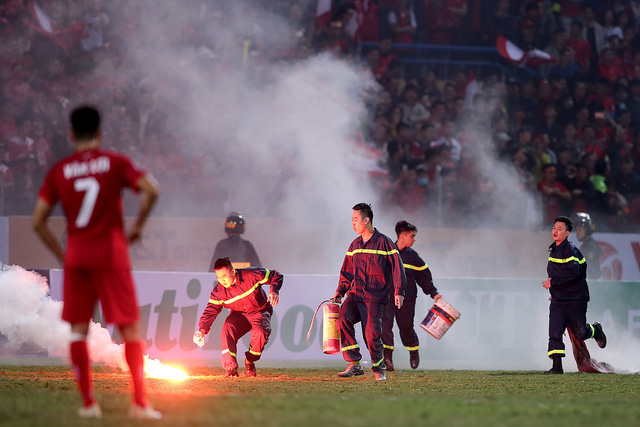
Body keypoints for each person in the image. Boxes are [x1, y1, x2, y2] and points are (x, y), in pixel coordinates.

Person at [32, 106, 161, 419]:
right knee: (130, 328)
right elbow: (151, 190)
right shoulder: (115, 162)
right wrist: (139, 226)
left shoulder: (59, 171)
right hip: (110, 254)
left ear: (71, 134)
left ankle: (89, 405)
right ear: (100, 133)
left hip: (77, 256)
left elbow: (38, 221)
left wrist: (64, 256)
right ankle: (139, 405)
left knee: (78, 331)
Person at [332, 203, 406, 381]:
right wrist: (340, 291)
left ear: (367, 220)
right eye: (352, 220)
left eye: (355, 220)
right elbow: (347, 271)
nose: (353, 224)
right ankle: (354, 363)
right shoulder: (355, 245)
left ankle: (378, 368)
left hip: (375, 296)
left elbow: (398, 268)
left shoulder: (385, 243)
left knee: (372, 334)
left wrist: (399, 291)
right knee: (343, 320)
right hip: (355, 294)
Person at [194, 257, 283, 378]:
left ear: (233, 271)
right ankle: (231, 368)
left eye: (224, 275)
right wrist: (201, 330)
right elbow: (210, 311)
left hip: (260, 311)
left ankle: (250, 361)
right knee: (227, 328)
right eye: (218, 277)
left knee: (260, 332)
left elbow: (275, 275)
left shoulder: (251, 275)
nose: (222, 280)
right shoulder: (218, 292)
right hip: (239, 315)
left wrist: (274, 291)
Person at [542, 216, 607, 374]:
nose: (555, 231)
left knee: (580, 333)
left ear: (567, 233)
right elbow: (558, 274)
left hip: (575, 299)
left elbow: (574, 274)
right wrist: (555, 292)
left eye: (560, 229)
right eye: (554, 228)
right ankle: (557, 367)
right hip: (560, 299)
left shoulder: (570, 250)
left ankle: (595, 329)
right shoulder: (554, 250)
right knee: (554, 332)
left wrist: (555, 284)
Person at [382, 221, 441, 371]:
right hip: (387, 297)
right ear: (403, 235)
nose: (414, 239)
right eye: (412, 236)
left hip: (407, 299)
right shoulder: (387, 252)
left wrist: (434, 293)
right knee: (385, 326)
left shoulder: (414, 257)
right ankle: (387, 358)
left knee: (406, 327)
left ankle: (413, 350)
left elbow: (424, 278)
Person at [572, 212, 603, 280]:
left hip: (593, 284)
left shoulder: (590, 246)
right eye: (576, 229)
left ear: (587, 230)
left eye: (580, 229)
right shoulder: (585, 246)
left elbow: (589, 268)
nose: (577, 232)